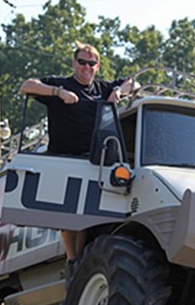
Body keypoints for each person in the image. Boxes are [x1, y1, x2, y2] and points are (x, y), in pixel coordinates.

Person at [19, 41, 137, 269]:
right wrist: (58, 93)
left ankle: (77, 259)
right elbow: (26, 86)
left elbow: (134, 82)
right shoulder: (61, 84)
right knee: (69, 214)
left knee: (84, 214)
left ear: (97, 66)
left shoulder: (102, 88)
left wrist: (118, 92)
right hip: (64, 159)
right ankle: (73, 259)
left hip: (93, 159)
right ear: (74, 63)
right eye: (82, 62)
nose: (86, 67)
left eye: (91, 63)